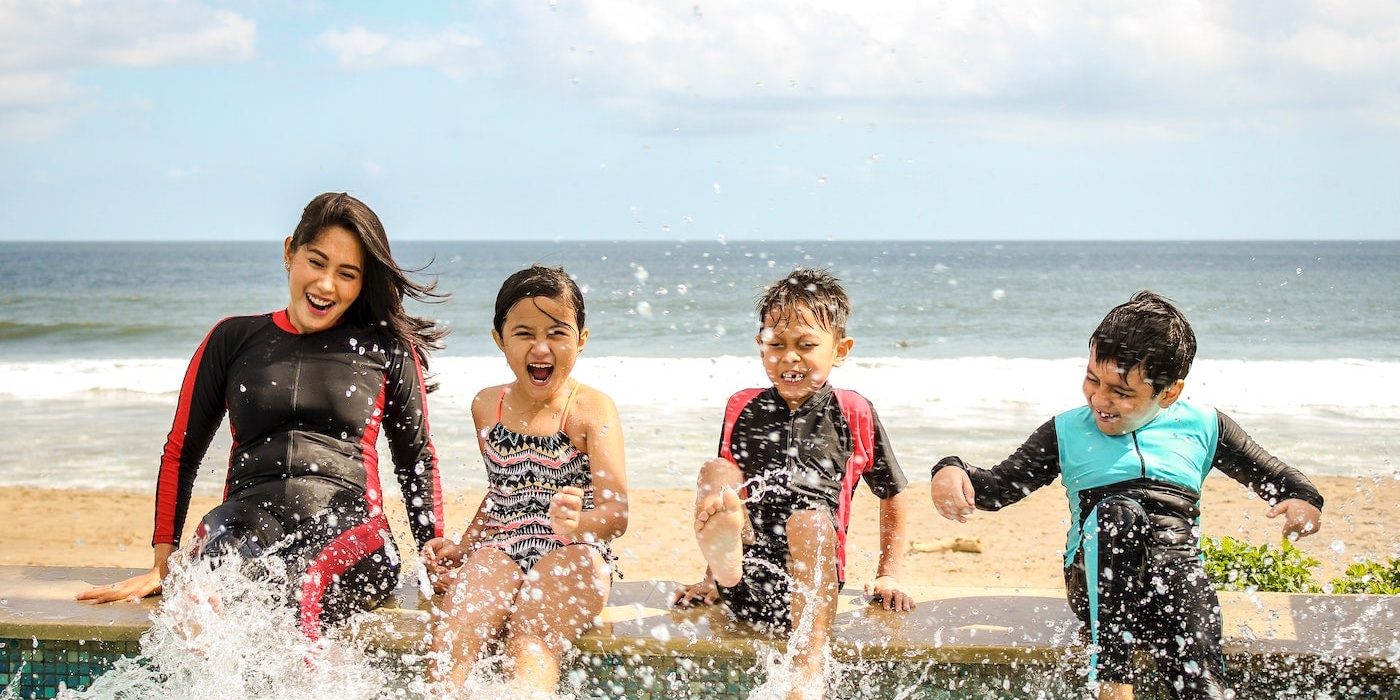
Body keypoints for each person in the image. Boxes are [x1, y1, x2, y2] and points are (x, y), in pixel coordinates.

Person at [77, 192, 447, 640]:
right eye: (317, 261)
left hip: (350, 528)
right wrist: (163, 561)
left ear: (360, 283)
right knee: (204, 591)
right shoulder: (232, 339)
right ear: (290, 251)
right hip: (243, 519)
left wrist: (432, 554)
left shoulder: (384, 349)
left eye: (346, 274)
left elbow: (416, 460)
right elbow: (181, 451)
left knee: (298, 594)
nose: (327, 284)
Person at [929, 290, 1325, 700]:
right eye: (1092, 380)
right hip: (1097, 585)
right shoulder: (1066, 431)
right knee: (1119, 514)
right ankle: (1113, 682)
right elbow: (998, 488)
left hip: (1175, 585)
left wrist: (1304, 502)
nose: (1101, 399)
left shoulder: (1205, 426)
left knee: (1200, 664)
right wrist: (951, 468)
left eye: (1122, 392)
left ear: (1168, 392)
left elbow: (1279, 477)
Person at [673, 268, 914, 700]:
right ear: (760, 346)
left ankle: (808, 663)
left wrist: (888, 575)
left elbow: (892, 491)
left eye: (806, 345)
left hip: (811, 594)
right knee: (718, 473)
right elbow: (727, 502)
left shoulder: (852, 410)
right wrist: (710, 578)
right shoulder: (742, 406)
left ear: (840, 350)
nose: (789, 358)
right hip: (745, 584)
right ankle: (722, 567)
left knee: (807, 521)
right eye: (776, 345)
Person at [421, 265, 628, 695]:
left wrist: (580, 524)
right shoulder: (487, 406)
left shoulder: (591, 410)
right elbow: (502, 493)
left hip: (576, 553)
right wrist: (466, 546)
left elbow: (617, 514)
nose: (541, 347)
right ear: (499, 339)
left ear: (581, 340)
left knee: (531, 638)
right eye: (523, 333)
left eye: (557, 333)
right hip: (503, 547)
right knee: (453, 633)